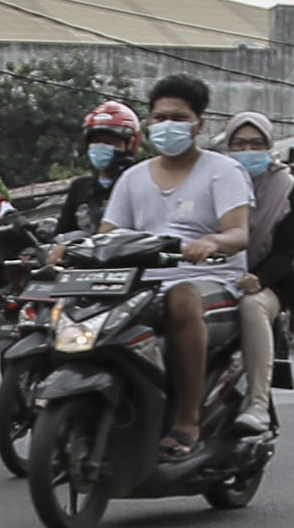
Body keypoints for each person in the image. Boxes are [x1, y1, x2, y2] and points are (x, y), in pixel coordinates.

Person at [81, 72, 251, 459]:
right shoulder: (132, 177)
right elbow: (106, 235)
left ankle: (186, 420)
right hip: (145, 286)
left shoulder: (223, 171)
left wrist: (211, 242)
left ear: (199, 124)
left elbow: (239, 234)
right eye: (159, 118)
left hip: (213, 284)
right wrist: (68, 250)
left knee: (182, 297)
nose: (167, 126)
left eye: (178, 118)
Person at [218, 110, 294, 409]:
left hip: (267, 281)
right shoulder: (214, 178)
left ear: (269, 146)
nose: (247, 151)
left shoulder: (284, 186)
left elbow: (286, 252)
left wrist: (259, 280)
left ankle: (258, 404)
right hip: (215, 274)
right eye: (239, 144)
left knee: (252, 307)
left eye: (255, 143)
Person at [63, 102, 141, 233]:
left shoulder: (139, 183)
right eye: (96, 141)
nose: (101, 146)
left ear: (129, 144)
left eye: (110, 142)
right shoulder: (80, 187)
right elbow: (63, 233)